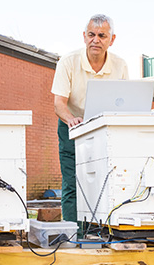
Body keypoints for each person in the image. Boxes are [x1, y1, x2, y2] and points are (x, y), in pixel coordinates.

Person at [50, 14, 129, 231]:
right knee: (72, 184)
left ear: (111, 39)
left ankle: (103, 230)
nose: (96, 40)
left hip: (104, 131)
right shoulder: (67, 62)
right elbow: (59, 104)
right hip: (72, 128)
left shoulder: (120, 65)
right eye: (92, 35)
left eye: (102, 35)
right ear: (84, 37)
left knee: (107, 181)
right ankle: (73, 232)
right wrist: (71, 119)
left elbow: (124, 103)